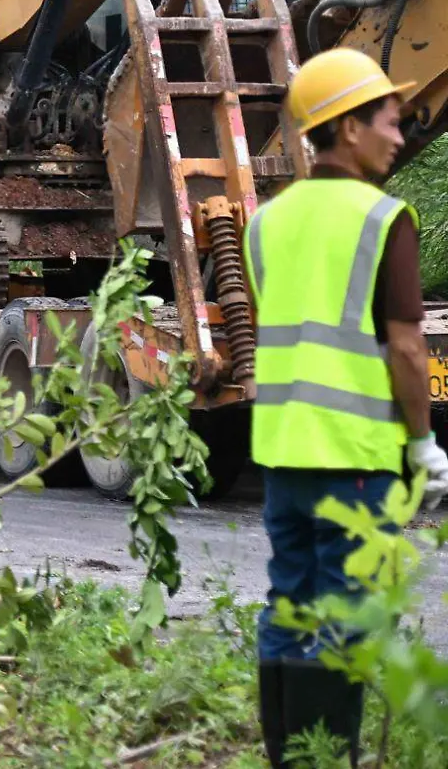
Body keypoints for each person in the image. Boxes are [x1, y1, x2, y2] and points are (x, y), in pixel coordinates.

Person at [244, 47, 448, 766]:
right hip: (353, 457)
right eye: (390, 121)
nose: (400, 135)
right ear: (350, 128)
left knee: (288, 602)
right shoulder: (383, 217)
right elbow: (404, 347)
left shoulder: (266, 221)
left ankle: (289, 758)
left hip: (280, 450)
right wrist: (423, 442)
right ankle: (328, 757)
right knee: (346, 611)